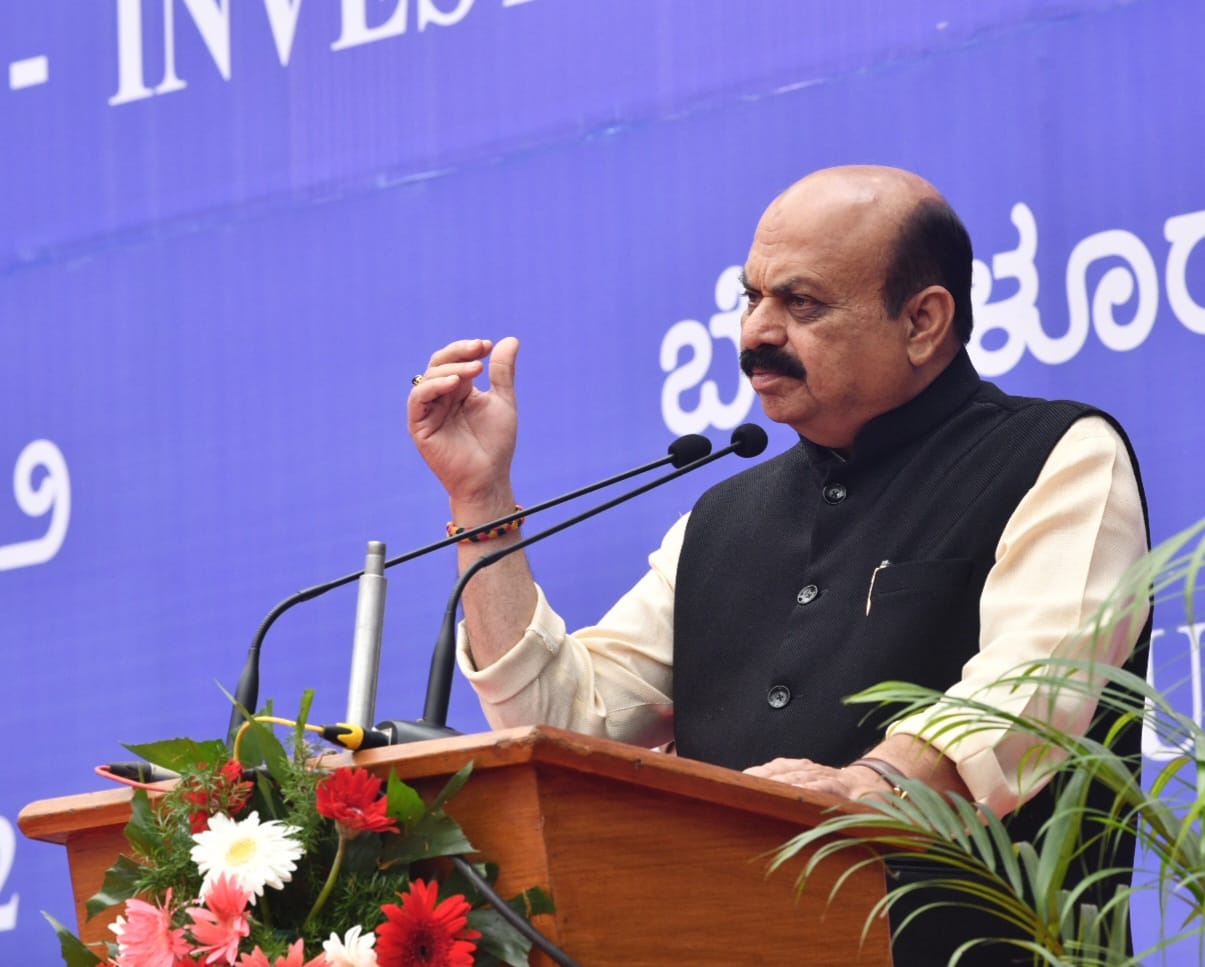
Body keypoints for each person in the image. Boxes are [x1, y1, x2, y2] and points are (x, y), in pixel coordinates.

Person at [407, 165, 1150, 964]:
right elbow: (566, 724)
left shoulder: (1057, 456)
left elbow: (1028, 697)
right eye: (750, 297)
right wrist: (482, 499)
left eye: (801, 303)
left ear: (922, 321)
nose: (755, 332)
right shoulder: (724, 517)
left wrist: (862, 785)